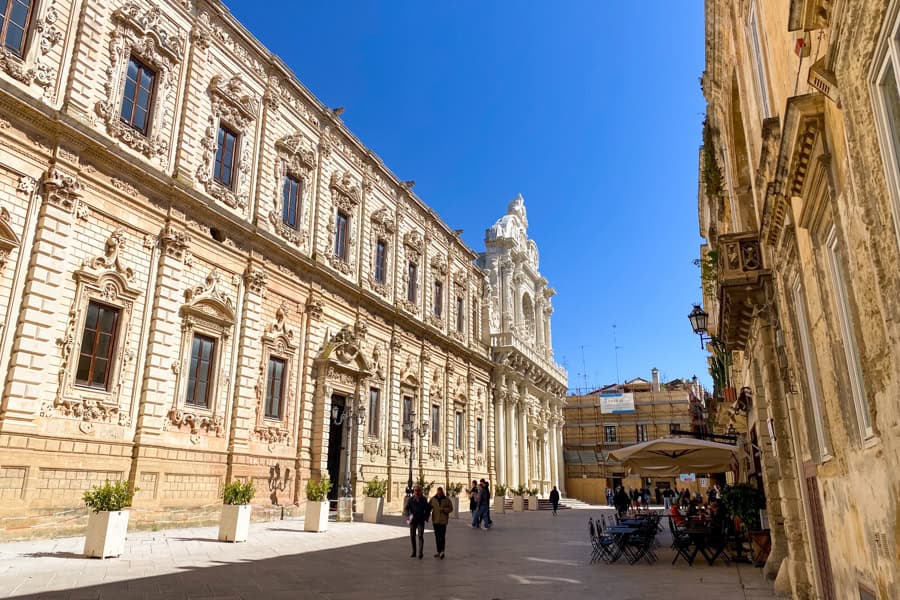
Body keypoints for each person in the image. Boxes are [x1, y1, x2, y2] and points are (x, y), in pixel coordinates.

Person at [403, 485, 431, 559]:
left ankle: (420, 553)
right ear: (414, 491)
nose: (417, 492)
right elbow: (406, 509)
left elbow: (428, 509)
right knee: (412, 536)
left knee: (420, 536)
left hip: (420, 520)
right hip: (412, 520)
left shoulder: (424, 499)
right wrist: (408, 515)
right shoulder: (411, 499)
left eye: (418, 490)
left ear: (421, 491)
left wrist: (426, 517)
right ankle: (414, 552)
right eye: (415, 490)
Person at [429, 486, 453, 559]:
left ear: (442, 492)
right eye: (438, 492)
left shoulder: (446, 499)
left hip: (443, 521)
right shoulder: (433, 499)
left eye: (441, 492)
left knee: (442, 536)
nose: (439, 493)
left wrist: (444, 510)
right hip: (435, 520)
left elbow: (451, 508)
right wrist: (426, 516)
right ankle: (438, 551)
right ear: (437, 492)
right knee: (437, 536)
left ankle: (442, 551)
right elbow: (429, 507)